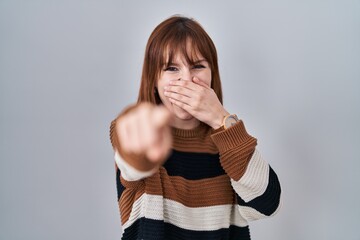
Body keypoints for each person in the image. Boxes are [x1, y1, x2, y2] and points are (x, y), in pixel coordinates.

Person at [109, 15, 281, 240]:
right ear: (154, 79)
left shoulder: (229, 141)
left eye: (197, 66)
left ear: (212, 75)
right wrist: (142, 136)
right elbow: (133, 163)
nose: (186, 80)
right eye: (171, 68)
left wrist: (222, 119)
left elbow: (266, 204)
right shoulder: (141, 131)